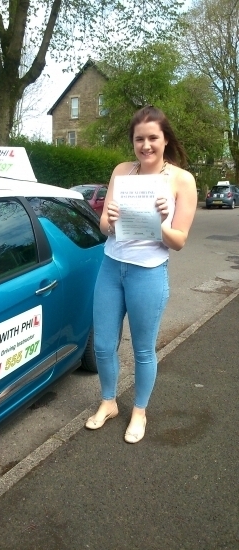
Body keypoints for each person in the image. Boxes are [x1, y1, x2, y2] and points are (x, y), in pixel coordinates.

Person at [85, 105, 197, 443]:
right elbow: (105, 227)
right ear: (132, 142)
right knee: (104, 345)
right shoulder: (122, 172)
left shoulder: (181, 180)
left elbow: (178, 241)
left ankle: (139, 411)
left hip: (147, 272)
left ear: (165, 140)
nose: (145, 145)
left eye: (153, 138)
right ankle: (109, 402)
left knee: (144, 350)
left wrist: (161, 223)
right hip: (111, 267)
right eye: (139, 139)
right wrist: (110, 217)